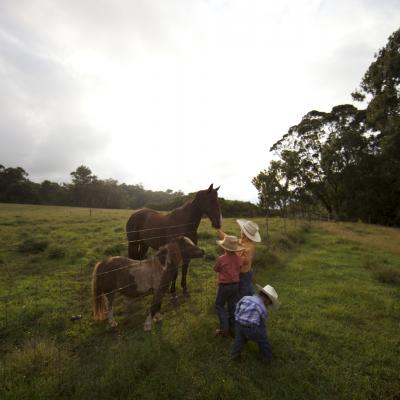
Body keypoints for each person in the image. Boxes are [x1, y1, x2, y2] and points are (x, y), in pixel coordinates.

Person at [231, 284, 279, 362]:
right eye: (269, 304)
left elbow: (238, 306)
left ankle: (235, 354)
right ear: (267, 300)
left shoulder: (246, 297)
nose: (268, 305)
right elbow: (263, 318)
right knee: (263, 340)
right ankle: (267, 358)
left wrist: (237, 317)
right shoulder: (262, 307)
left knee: (239, 339)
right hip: (251, 328)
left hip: (239, 324)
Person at [217, 219, 261, 299]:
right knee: (247, 289)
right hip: (240, 273)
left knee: (243, 292)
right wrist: (218, 230)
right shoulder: (241, 241)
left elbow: (245, 261)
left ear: (245, 234)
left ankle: (246, 305)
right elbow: (227, 239)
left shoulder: (250, 247)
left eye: (242, 231)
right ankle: (256, 301)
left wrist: (231, 257)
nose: (241, 232)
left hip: (244, 274)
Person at [213, 235, 244, 337]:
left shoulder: (221, 259)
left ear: (224, 247)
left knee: (219, 305)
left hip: (224, 285)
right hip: (235, 285)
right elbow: (239, 268)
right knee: (232, 307)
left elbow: (216, 269)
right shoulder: (239, 259)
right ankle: (233, 329)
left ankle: (224, 328)